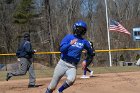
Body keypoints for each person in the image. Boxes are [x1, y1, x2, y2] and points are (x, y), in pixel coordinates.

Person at [45, 20, 94, 93]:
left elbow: (91, 53)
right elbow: (61, 49)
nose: (80, 31)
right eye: (78, 28)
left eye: (82, 29)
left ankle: (60, 91)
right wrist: (70, 44)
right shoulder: (68, 37)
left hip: (72, 66)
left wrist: (86, 61)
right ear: (75, 28)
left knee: (71, 80)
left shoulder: (84, 42)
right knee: (52, 86)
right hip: (62, 64)